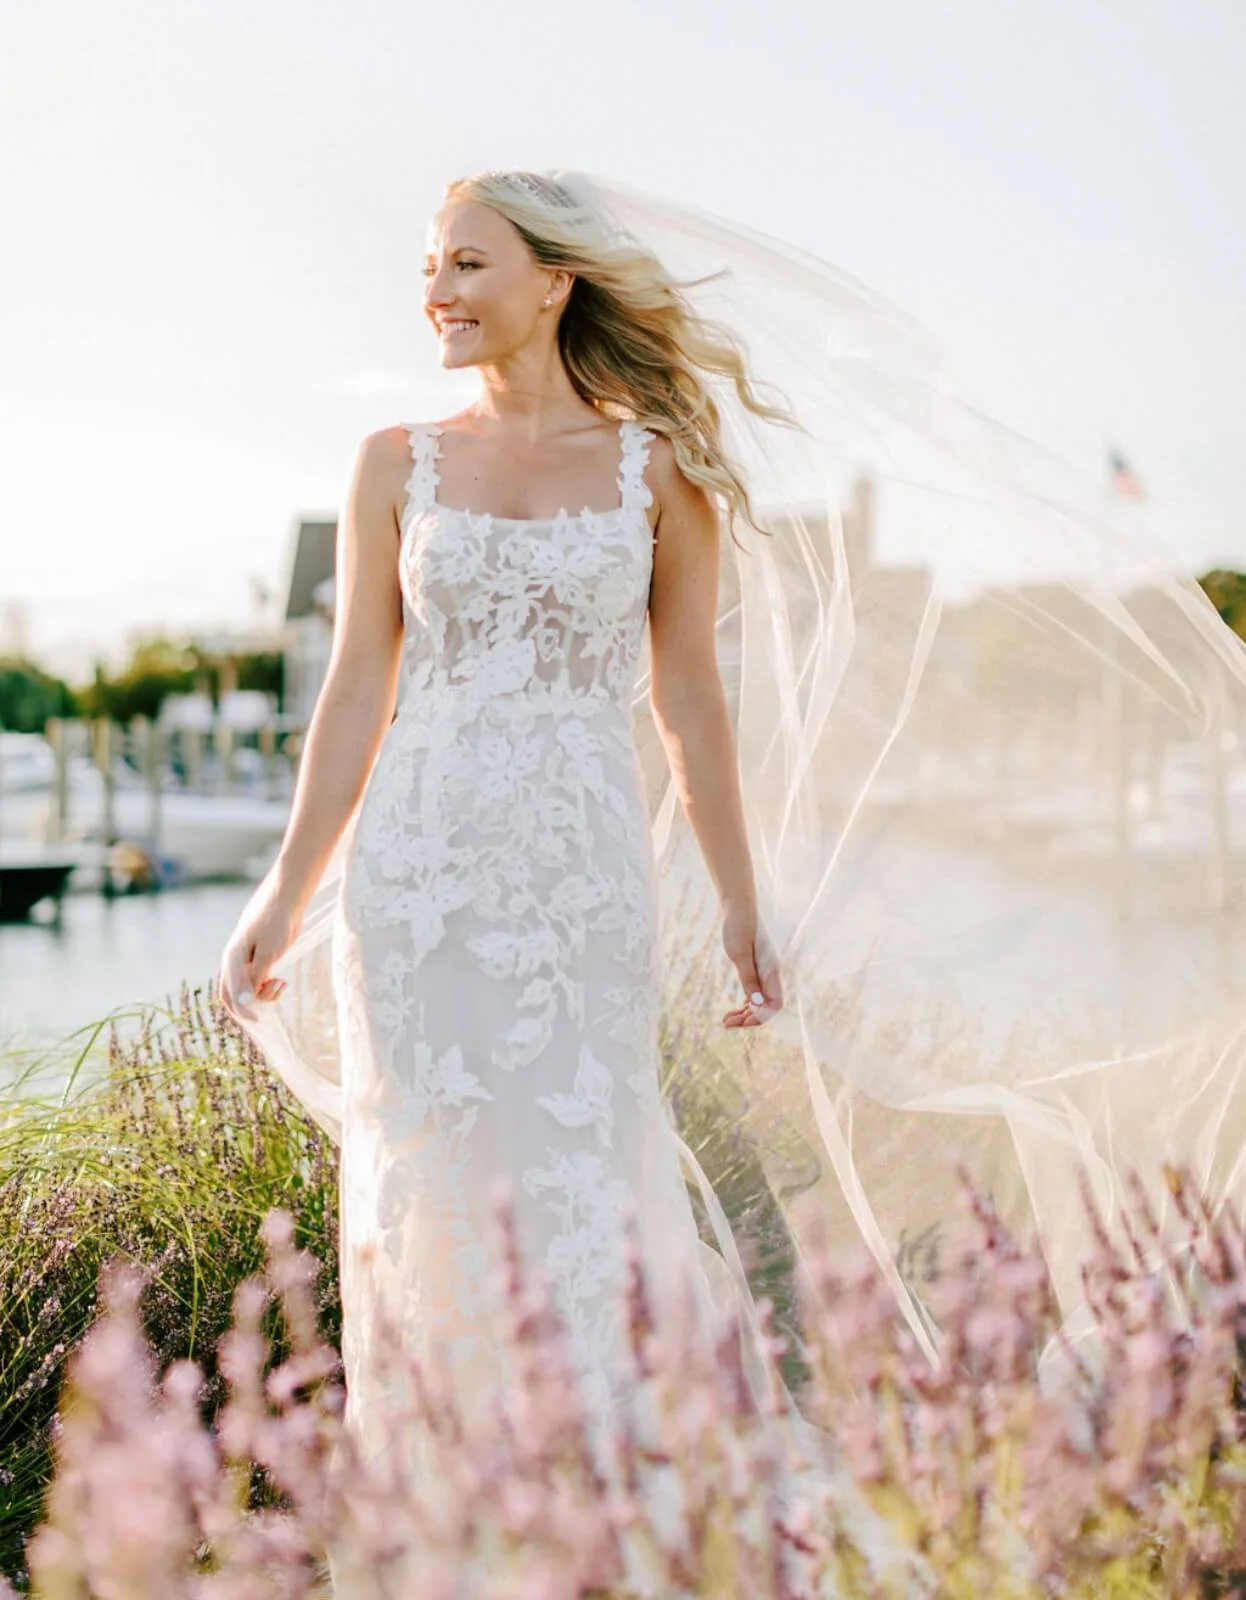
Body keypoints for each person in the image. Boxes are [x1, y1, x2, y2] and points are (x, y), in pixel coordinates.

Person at [221, 166, 1246, 1489]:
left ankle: (618, 1495)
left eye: (468, 264)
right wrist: (283, 895)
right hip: (414, 881)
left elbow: (688, 699)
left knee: (582, 1157)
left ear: (555, 279)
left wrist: (743, 901)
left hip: (580, 878)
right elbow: (356, 689)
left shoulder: (657, 472)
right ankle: (452, 1498)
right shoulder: (388, 464)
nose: (437, 291)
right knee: (427, 1166)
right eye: (429, 265)